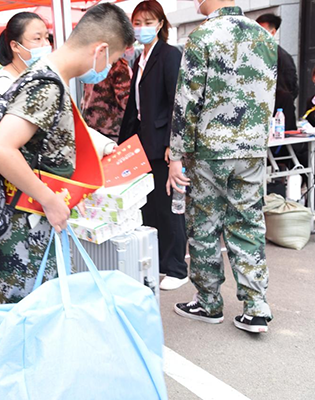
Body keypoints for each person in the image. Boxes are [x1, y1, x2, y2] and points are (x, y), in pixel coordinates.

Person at [0, 3, 135, 304]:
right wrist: (50, 200)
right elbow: (0, 149)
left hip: (34, 220)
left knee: (43, 312)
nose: (110, 67)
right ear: (100, 50)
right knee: (31, 313)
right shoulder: (46, 85)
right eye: (115, 58)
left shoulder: (50, 79)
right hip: (26, 224)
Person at [168, 0, 277, 334]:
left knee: (204, 225)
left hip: (210, 150)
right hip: (251, 150)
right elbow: (268, 97)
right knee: (248, 222)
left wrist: (176, 153)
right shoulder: (264, 37)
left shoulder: (203, 38)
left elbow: (187, 101)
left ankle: (208, 301)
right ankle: (256, 306)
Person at [118, 0, 187, 291]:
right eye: (137, 23)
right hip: (143, 143)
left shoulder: (169, 55)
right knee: (151, 205)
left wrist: (175, 144)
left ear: (160, 24)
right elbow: (135, 107)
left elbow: (176, 102)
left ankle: (177, 267)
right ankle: (160, 260)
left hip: (163, 143)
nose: (142, 28)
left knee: (169, 204)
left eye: (148, 22)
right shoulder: (139, 58)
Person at [0, 12, 51, 97]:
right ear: (15, 46)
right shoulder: (3, 83)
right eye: (37, 38)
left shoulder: (42, 74)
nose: (46, 44)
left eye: (47, 38)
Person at [81, 57, 131, 141]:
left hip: (91, 126)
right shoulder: (118, 66)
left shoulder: (91, 62)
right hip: (111, 129)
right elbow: (125, 101)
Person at [256, 13, 298, 100]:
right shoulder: (251, 52)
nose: (257, 34)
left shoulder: (282, 57)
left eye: (262, 30)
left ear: (273, 32)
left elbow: (289, 88)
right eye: (255, 30)